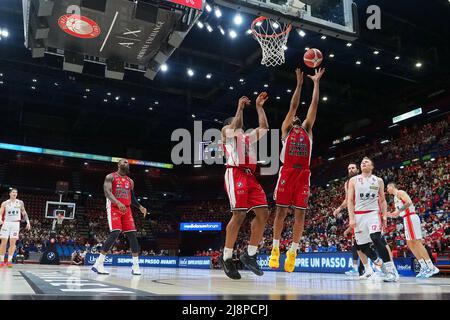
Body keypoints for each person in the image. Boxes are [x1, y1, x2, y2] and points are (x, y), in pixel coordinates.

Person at [269, 68, 325, 272]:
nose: (295, 118)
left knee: (300, 215)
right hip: (287, 172)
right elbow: (293, 106)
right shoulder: (286, 130)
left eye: (297, 118)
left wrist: (316, 83)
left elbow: (314, 105)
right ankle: (275, 249)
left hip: (303, 175)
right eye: (293, 118)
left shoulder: (307, 129)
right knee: (281, 213)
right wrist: (299, 85)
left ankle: (293, 251)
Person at [219, 93, 270, 280]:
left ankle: (250, 254)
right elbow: (235, 126)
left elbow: (264, 127)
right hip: (235, 172)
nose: (241, 127)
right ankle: (226, 257)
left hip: (250, 176)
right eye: (238, 124)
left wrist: (259, 106)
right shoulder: (227, 132)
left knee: (264, 213)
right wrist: (239, 108)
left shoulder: (247, 138)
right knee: (239, 215)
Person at [91, 159, 148, 275]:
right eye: (124, 162)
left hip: (126, 209)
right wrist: (118, 202)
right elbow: (107, 192)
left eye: (127, 162)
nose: (126, 163)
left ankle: (135, 266)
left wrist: (140, 206)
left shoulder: (130, 181)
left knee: (132, 235)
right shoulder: (110, 177)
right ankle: (99, 263)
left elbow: (132, 198)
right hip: (113, 207)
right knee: (115, 232)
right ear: (118, 164)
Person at [347, 157, 398, 282]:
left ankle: (391, 271)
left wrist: (385, 215)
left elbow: (383, 200)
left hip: (373, 214)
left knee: (376, 237)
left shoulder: (378, 180)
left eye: (367, 162)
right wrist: (351, 218)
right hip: (359, 215)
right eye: (362, 162)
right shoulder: (353, 180)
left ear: (372, 166)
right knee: (361, 246)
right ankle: (379, 263)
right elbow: (349, 201)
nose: (364, 163)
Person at [386, 182, 439, 278]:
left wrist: (398, 211)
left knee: (416, 242)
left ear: (392, 186)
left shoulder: (400, 192)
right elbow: (397, 213)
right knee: (410, 244)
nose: (387, 189)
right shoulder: (395, 198)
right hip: (406, 218)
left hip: (410, 217)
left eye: (387, 187)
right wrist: (388, 214)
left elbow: (409, 202)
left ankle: (431, 267)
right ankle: (423, 266)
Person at [0, 189, 31, 268]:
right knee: (3, 242)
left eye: (16, 192)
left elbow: (24, 213)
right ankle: (2, 261)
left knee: (13, 243)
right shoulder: (5, 203)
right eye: (13, 192)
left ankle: (9, 261)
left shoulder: (20, 202)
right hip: (6, 223)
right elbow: (0, 212)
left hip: (16, 223)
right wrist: (0, 219)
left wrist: (28, 222)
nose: (15, 193)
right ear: (10, 194)